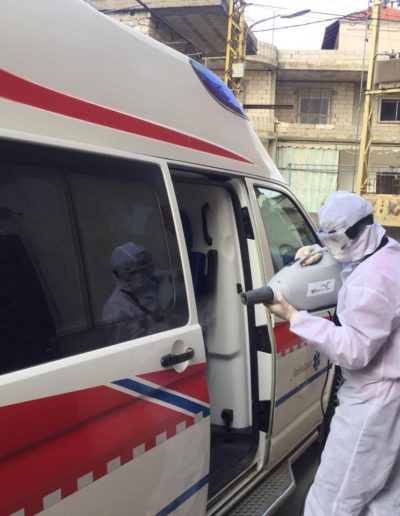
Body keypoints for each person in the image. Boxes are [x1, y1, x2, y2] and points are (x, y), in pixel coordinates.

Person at [267, 191, 400, 515]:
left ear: (359, 229)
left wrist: (294, 317)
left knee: (332, 501)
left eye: (337, 241)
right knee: (384, 496)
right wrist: (321, 252)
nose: (335, 247)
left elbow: (353, 350)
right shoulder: (388, 251)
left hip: (372, 401)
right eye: (327, 239)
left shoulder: (371, 282)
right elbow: (354, 260)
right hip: (389, 393)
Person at [103, 242, 169, 344]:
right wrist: (168, 325)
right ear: (118, 274)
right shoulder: (116, 309)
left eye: (144, 270)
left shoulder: (153, 279)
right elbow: (134, 346)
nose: (140, 277)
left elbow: (172, 275)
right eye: (132, 273)